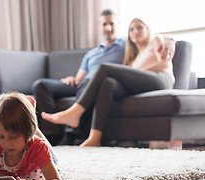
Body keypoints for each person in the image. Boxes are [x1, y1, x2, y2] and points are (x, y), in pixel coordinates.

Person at [41, 18, 176, 147]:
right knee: (108, 83)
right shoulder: (132, 60)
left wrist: (170, 41)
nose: (135, 31)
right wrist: (134, 71)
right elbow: (134, 77)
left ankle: (75, 112)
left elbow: (165, 64)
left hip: (161, 79)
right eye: (131, 29)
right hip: (143, 84)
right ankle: (95, 137)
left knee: (104, 68)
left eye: (139, 27)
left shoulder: (156, 40)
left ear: (148, 29)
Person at [32, 9, 125, 145]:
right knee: (40, 85)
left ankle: (71, 133)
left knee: (88, 81)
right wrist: (72, 79)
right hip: (83, 84)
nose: (108, 28)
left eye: (112, 23)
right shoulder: (91, 53)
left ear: (118, 25)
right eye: (104, 24)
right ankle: (52, 135)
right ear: (99, 26)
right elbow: (79, 78)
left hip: (98, 83)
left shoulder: (125, 47)